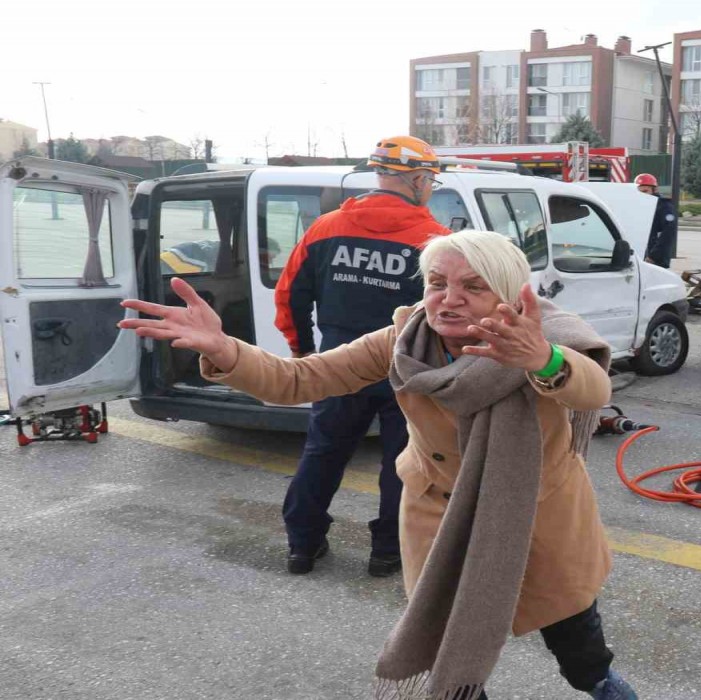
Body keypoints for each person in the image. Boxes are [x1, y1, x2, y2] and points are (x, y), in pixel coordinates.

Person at [120, 230, 638, 700]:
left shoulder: (542, 337)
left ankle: (601, 684)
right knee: (444, 648)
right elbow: (299, 379)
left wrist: (542, 359)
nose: (449, 298)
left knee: (574, 633)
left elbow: (593, 389)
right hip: (438, 515)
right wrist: (224, 349)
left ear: (508, 294)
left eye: (473, 286)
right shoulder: (404, 340)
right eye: (437, 283)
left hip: (537, 513)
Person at [272, 135, 452, 577]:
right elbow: (448, 313)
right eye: (430, 180)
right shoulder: (437, 242)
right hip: (407, 368)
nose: (430, 188)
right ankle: (388, 551)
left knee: (323, 453)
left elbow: (291, 295)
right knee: (404, 463)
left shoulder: (325, 228)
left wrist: (303, 352)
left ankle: (302, 545)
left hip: (338, 364)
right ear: (416, 179)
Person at [634, 173, 677, 268]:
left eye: (645, 191)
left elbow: (668, 233)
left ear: (655, 190)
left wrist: (653, 256)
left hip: (655, 259)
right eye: (639, 192)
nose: (642, 195)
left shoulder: (664, 206)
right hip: (642, 256)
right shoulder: (640, 206)